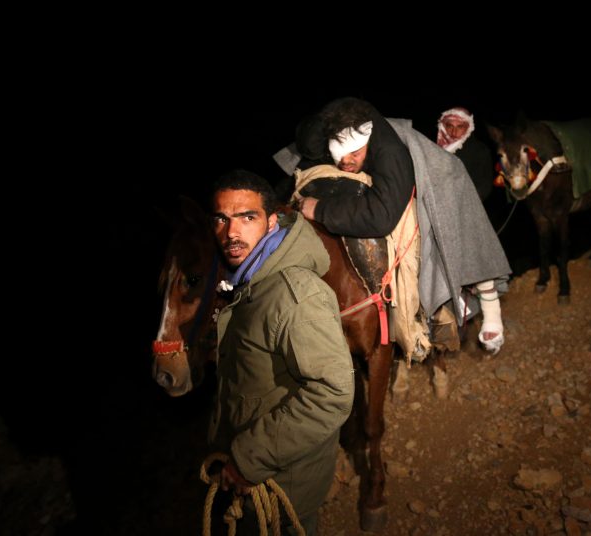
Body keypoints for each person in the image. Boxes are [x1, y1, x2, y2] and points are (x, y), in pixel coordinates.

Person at [293, 97, 510, 356]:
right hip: (389, 170)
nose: (346, 162)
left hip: (439, 176)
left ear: (367, 141)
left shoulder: (390, 153)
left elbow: (382, 216)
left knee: (443, 227)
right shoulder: (341, 130)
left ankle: (474, 307)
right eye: (339, 157)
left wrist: (320, 209)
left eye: (354, 154)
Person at [208, 169, 354, 535]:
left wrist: (248, 459)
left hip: (283, 481)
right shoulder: (253, 281)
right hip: (258, 475)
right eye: (222, 219)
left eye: (247, 217)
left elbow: (333, 393)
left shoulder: (295, 294)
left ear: (272, 221)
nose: (232, 232)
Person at [436, 106, 496, 203]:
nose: (454, 132)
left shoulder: (479, 151)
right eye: (450, 126)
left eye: (460, 127)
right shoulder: (434, 149)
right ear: (443, 126)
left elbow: (484, 186)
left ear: (468, 127)